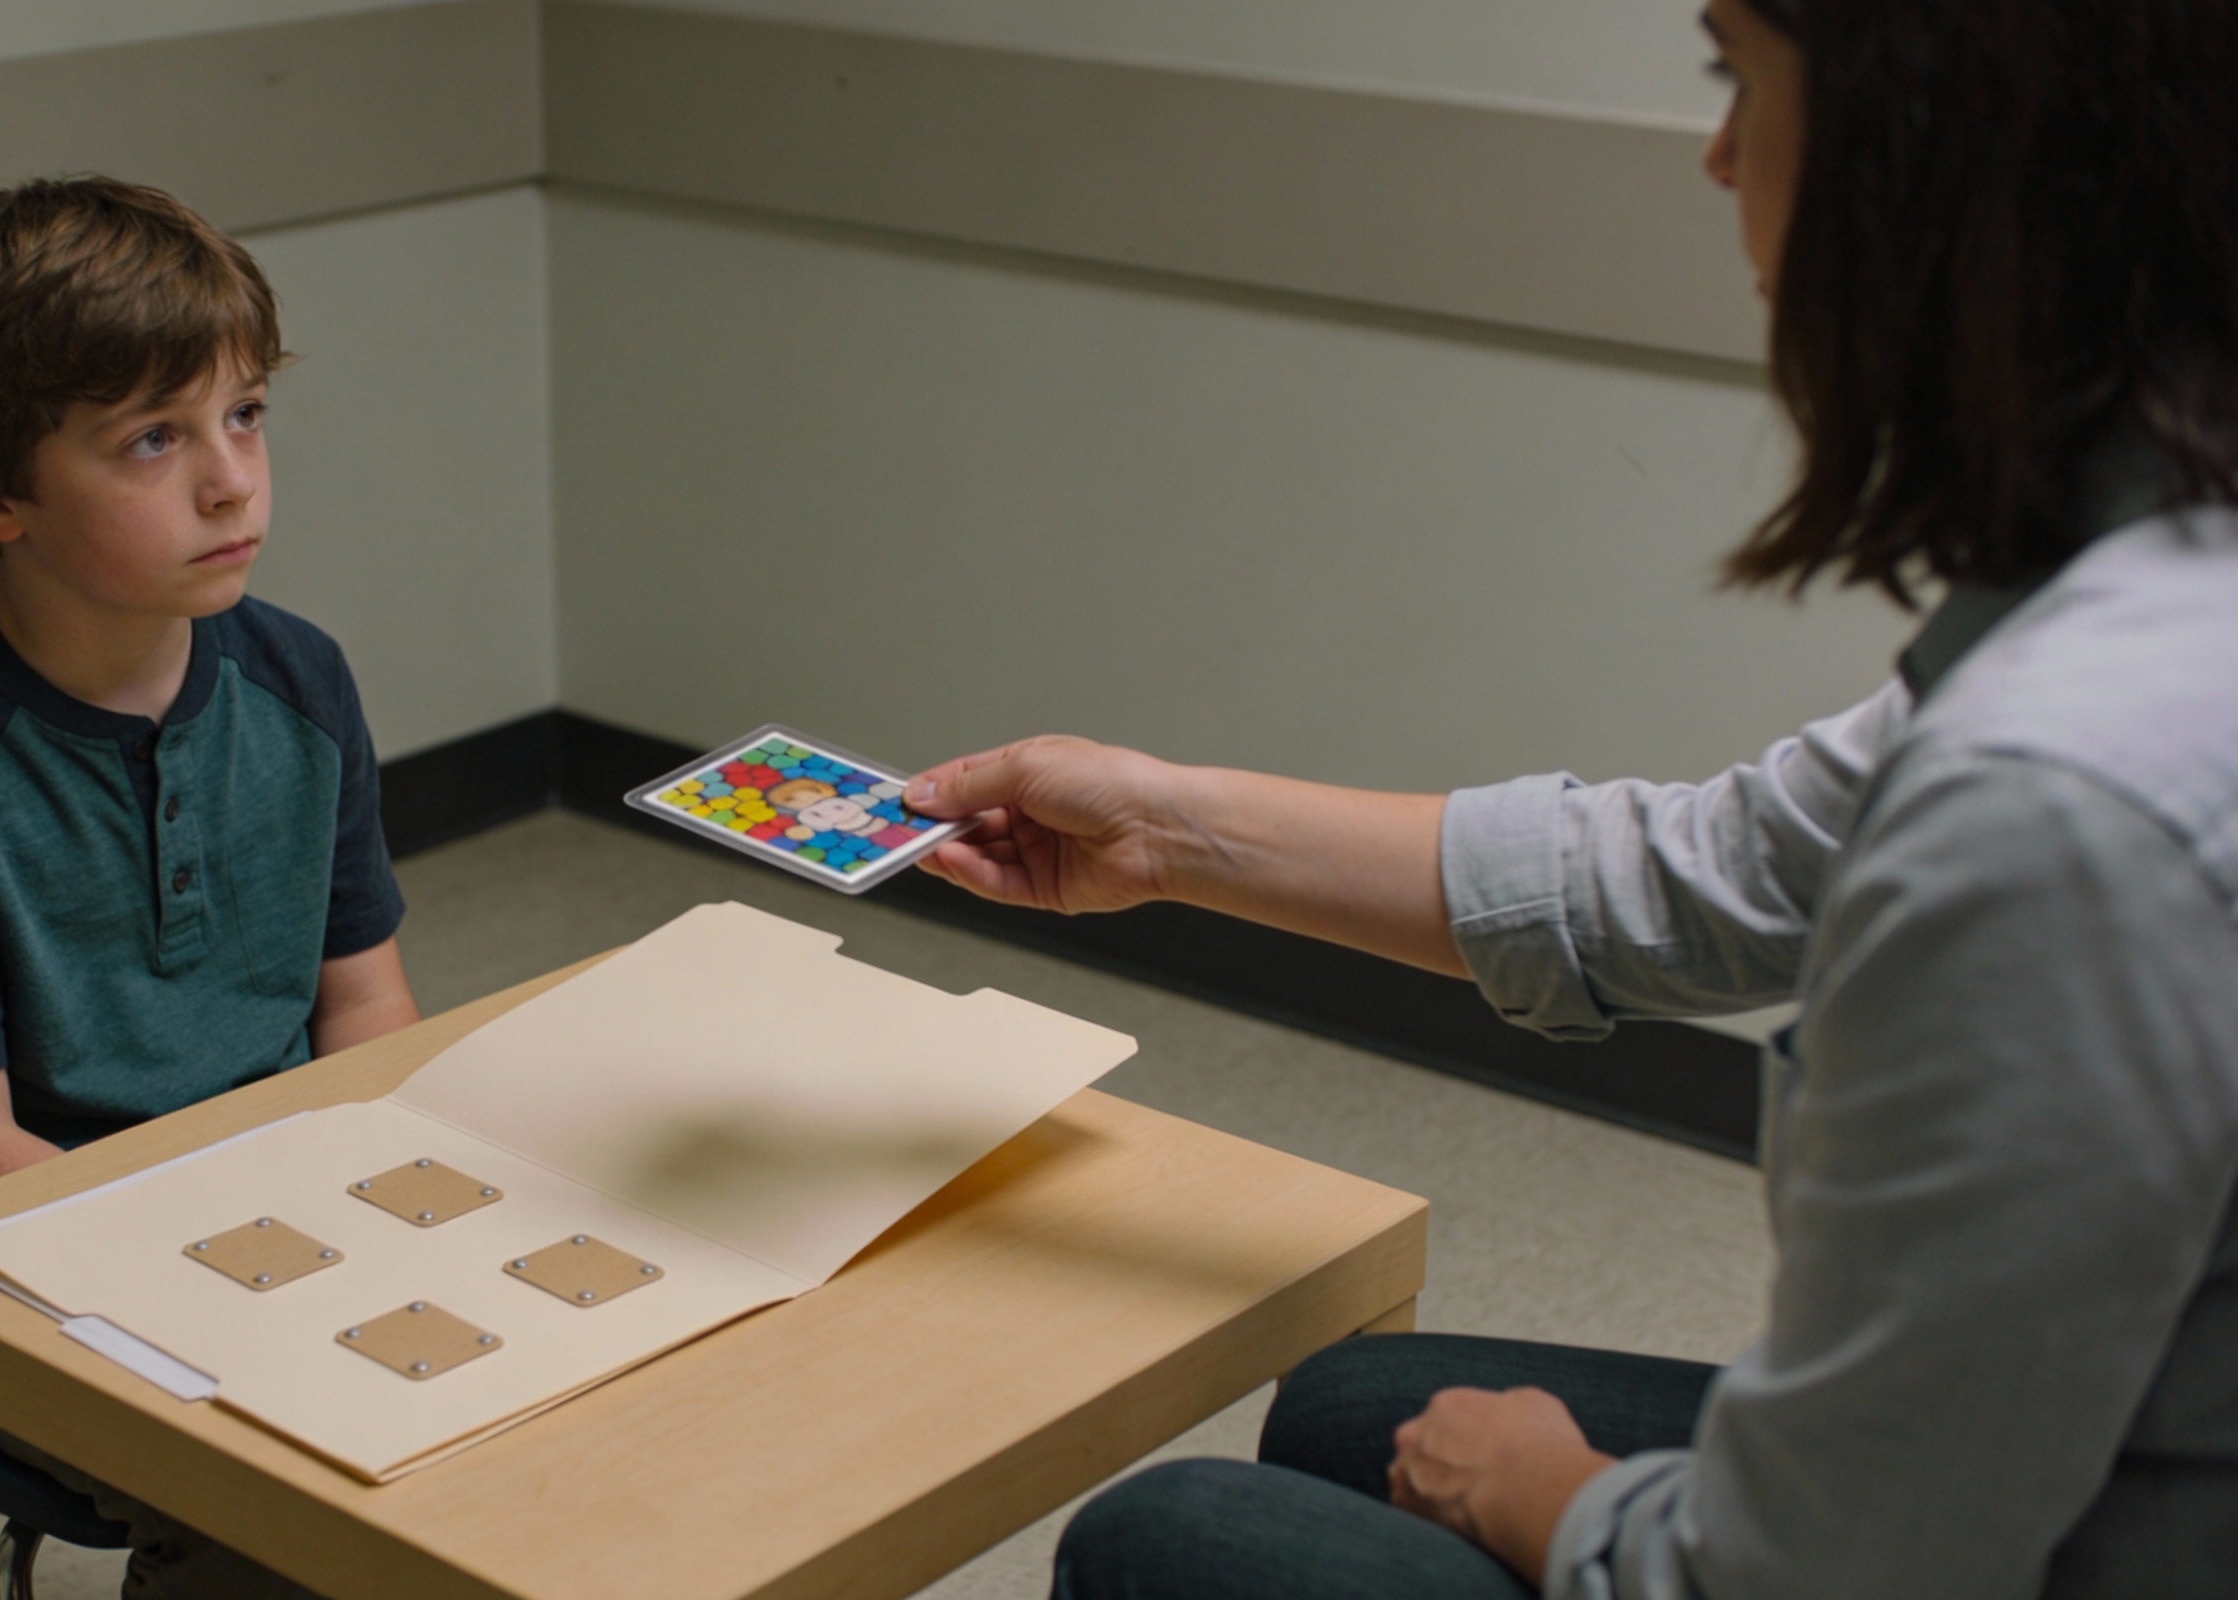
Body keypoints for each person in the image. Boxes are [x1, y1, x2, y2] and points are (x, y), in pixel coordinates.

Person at [900, 2, 2238, 1595]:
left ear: (1936, 135)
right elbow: (1704, 877)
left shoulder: (2056, 811)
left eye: (1740, 73)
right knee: (1347, 1408)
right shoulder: (2153, 588)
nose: (1718, 151)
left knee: (1172, 1545)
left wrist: (1553, 1497)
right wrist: (1170, 831)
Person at [0, 176, 418, 1598]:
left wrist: (369, 1206)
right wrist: (242, 1261)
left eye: (245, 414)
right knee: (304, 1497)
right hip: (22, 1247)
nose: (230, 479)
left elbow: (368, 1002)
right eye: (153, 439)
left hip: (280, 1201)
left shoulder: (301, 680)